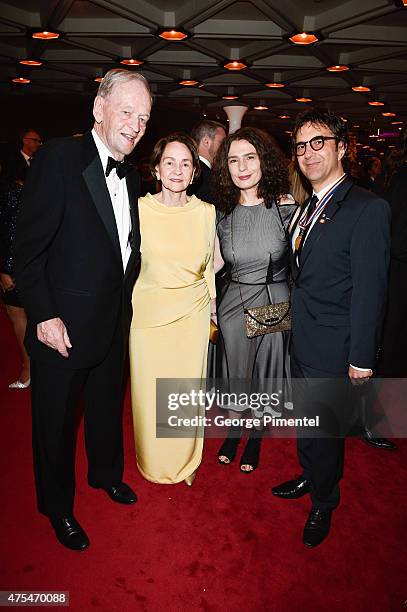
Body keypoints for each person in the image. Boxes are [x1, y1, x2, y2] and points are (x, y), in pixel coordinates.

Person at [14, 68, 152, 551]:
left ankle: (105, 475)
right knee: (53, 423)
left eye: (144, 117)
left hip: (112, 321)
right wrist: (45, 315)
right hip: (62, 327)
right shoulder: (58, 157)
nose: (135, 125)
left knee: (104, 409)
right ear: (99, 108)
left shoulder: (134, 176)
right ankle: (56, 507)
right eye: (127, 112)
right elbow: (27, 252)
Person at [272, 109, 390, 548]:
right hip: (301, 336)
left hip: (334, 345)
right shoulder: (308, 205)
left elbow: (370, 290)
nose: (308, 153)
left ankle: (325, 498)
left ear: (342, 147)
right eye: (301, 145)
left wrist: (361, 357)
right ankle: (310, 474)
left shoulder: (367, 207)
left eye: (318, 142)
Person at [130, 132, 216, 485]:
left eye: (185, 163)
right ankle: (152, 461)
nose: (177, 170)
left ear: (195, 172)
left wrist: (212, 307)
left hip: (191, 317)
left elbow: (213, 263)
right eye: (170, 162)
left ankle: (183, 462)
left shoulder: (206, 213)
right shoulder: (139, 210)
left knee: (183, 392)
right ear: (156, 168)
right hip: (148, 316)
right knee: (150, 393)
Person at [211, 127, 294, 472]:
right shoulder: (222, 214)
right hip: (233, 302)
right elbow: (212, 265)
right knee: (236, 370)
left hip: (272, 298)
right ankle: (234, 425)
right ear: (225, 168)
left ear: (264, 161)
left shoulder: (286, 208)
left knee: (264, 370)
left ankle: (257, 430)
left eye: (250, 157)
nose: (242, 167)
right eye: (233, 160)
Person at [0, 167, 30, 388]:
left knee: (18, 314)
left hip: (14, 264)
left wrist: (5, 268)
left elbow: (8, 230)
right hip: (25, 261)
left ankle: (28, 370)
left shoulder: (9, 191)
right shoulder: (17, 189)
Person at [188, 120, 226, 203]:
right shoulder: (205, 176)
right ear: (206, 142)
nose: (225, 148)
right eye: (221, 142)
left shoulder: (188, 168)